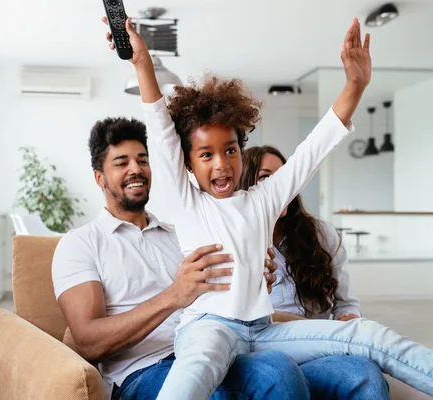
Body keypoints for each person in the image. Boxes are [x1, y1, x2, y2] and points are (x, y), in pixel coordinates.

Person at [105, 15, 433, 400]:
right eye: (206, 155)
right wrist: (142, 64)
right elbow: (160, 128)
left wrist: (355, 86)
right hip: (208, 328)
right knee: (189, 381)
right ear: (189, 165)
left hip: (262, 329)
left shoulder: (263, 199)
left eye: (230, 150)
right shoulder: (186, 200)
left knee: (367, 335)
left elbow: (314, 147)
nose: (221, 163)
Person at [52, 117, 395, 400]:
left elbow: (237, 309)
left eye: (142, 159)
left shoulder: (184, 234)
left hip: (232, 350)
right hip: (146, 371)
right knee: (275, 372)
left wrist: (257, 286)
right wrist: (175, 295)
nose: (136, 169)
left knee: (360, 373)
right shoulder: (80, 244)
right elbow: (87, 340)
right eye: (121, 162)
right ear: (99, 177)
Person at [240, 145, 391, 398]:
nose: (279, 185)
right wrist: (313, 328)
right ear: (247, 185)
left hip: (320, 351)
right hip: (265, 354)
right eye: (266, 176)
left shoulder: (321, 234)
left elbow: (346, 303)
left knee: (366, 374)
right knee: (281, 375)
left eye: (285, 176)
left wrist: (348, 318)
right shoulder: (233, 240)